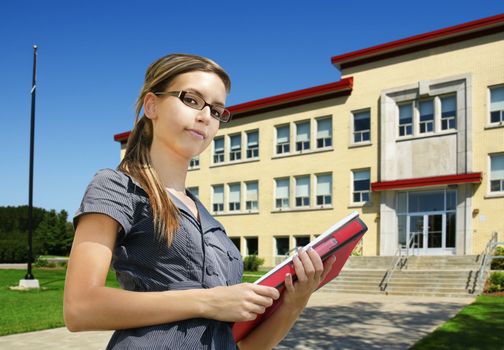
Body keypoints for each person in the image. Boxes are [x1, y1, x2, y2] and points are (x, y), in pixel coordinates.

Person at [63, 53, 336, 350]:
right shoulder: (117, 186)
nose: (206, 116)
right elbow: (80, 308)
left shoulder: (210, 222)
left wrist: (296, 302)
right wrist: (208, 302)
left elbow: (244, 346)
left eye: (217, 110)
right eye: (191, 100)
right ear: (151, 105)